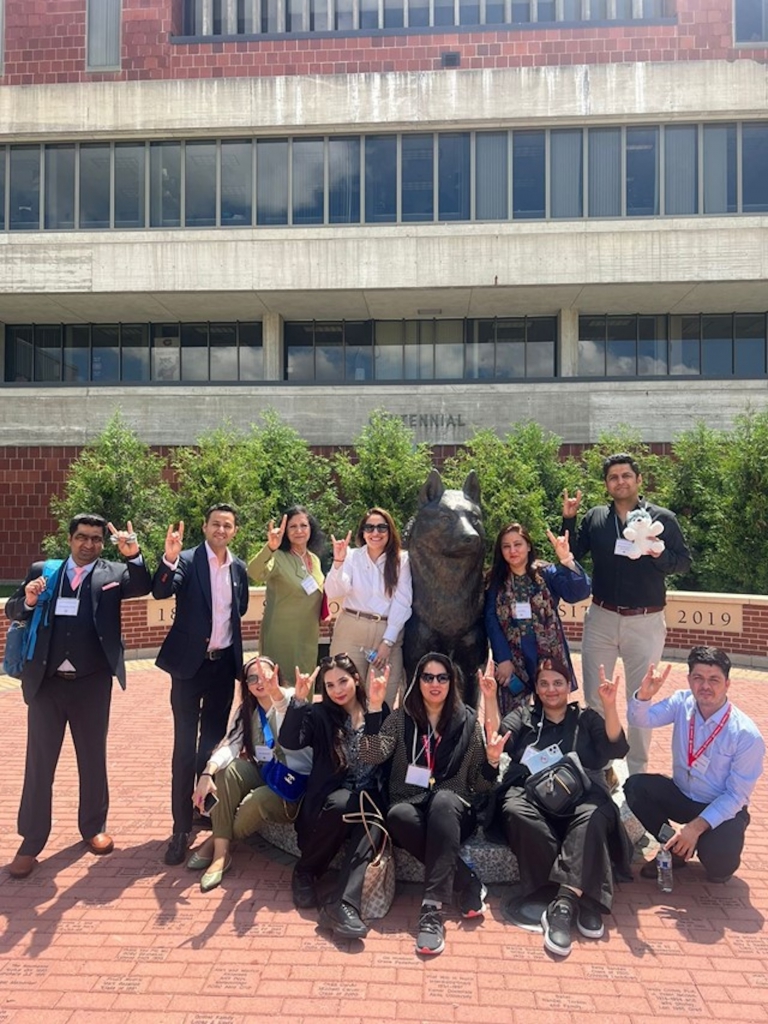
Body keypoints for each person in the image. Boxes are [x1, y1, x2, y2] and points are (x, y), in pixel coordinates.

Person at [5, 514, 152, 879]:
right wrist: (27, 598)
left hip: (91, 683)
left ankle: (92, 827)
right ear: (69, 539)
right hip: (47, 683)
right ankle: (31, 840)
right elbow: (13, 609)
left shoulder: (113, 574)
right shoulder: (45, 570)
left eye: (96, 539)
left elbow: (145, 585)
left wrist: (133, 555)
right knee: (40, 763)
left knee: (92, 757)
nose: (89, 545)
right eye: (82, 537)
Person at [359, 652, 505, 956]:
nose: (435, 683)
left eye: (442, 677)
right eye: (428, 677)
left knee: (443, 800)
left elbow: (481, 785)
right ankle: (467, 880)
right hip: (411, 805)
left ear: (452, 682)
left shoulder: (467, 723)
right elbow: (372, 756)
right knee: (397, 814)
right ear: (418, 681)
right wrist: (374, 706)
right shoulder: (400, 719)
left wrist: (492, 762)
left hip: (453, 813)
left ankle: (432, 909)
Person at [489, 657, 632, 958]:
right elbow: (496, 739)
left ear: (569, 686)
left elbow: (617, 747)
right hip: (533, 796)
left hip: (583, 795)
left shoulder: (586, 718)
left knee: (593, 815)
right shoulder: (524, 716)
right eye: (544, 683)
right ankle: (584, 895)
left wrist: (609, 705)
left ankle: (564, 903)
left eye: (558, 683)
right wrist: (489, 698)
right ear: (536, 689)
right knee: (513, 809)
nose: (551, 690)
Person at [562, 453, 692, 775]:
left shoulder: (663, 518)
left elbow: (683, 561)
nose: (620, 481)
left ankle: (637, 774)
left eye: (626, 476)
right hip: (602, 618)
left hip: (645, 621)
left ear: (638, 480)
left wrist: (657, 554)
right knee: (595, 696)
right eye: (613, 477)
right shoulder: (595, 518)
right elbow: (573, 555)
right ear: (606, 485)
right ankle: (599, 769)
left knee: (640, 702)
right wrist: (569, 519)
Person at [153, 504, 250, 867]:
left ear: (234, 530)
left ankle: (201, 810)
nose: (221, 530)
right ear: (205, 527)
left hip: (222, 668)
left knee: (211, 747)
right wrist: (168, 558)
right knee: (183, 748)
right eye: (215, 524)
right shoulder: (189, 561)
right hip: (188, 670)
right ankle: (180, 828)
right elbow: (162, 591)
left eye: (228, 525)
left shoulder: (237, 568)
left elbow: (236, 611)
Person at [625, 647, 765, 884]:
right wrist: (644, 697)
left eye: (714, 680)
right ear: (689, 679)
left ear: (728, 684)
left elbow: (736, 795)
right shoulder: (682, 702)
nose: (705, 686)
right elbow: (640, 719)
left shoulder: (746, 734)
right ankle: (674, 848)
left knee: (719, 870)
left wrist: (695, 828)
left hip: (719, 806)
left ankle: (705, 843)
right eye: (698, 678)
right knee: (636, 787)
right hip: (683, 795)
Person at [278, 653, 388, 940]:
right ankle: (305, 872)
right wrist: (299, 701)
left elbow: (374, 756)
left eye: (343, 681)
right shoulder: (320, 715)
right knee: (343, 805)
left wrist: (375, 709)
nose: (338, 690)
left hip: (366, 797)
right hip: (330, 801)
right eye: (329, 685)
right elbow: (290, 742)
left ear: (356, 679)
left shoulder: (378, 708)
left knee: (373, 820)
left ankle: (343, 904)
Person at [187, 656, 312, 892]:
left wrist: (279, 694)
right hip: (265, 772)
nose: (259, 682)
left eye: (265, 675)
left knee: (257, 801)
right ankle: (221, 857)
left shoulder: (290, 699)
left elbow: (287, 713)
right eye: (251, 678)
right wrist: (207, 773)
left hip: (289, 783)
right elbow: (231, 745)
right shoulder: (247, 710)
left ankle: (217, 840)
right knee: (227, 772)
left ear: (276, 675)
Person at [484, 522, 590, 716]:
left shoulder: (546, 573)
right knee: (512, 716)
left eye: (518, 544)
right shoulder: (495, 581)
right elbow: (490, 620)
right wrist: (503, 658)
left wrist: (566, 558)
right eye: (506, 546)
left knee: (552, 710)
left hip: (549, 653)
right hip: (512, 655)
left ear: (528, 546)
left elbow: (579, 592)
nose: (513, 550)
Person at [325, 507, 412, 707]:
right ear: (362, 532)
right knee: (345, 698)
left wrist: (387, 642)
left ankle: (377, 740)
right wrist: (338, 561)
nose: (375, 533)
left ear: (390, 531)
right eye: (369, 527)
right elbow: (335, 591)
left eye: (381, 527)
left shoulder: (402, 560)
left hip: (386, 635)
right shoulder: (351, 556)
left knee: (382, 701)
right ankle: (346, 739)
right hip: (351, 631)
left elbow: (403, 602)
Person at [248, 506, 325, 675]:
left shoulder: (314, 559)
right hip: (280, 636)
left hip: (308, 636)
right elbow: (254, 572)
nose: (299, 531)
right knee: (279, 688)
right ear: (285, 531)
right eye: (293, 526)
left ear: (311, 528)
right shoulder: (278, 557)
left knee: (304, 685)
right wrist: (270, 548)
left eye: (304, 525)